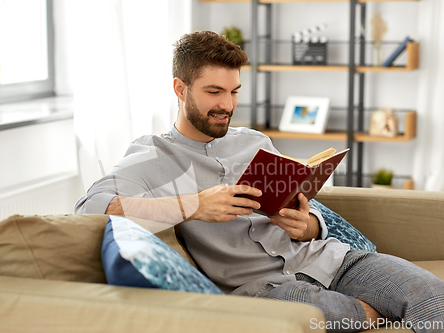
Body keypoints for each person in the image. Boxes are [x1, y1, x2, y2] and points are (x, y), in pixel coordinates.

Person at [75, 31, 444, 333]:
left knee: (433, 296)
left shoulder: (255, 141)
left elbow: (299, 206)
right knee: (336, 315)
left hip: (327, 259)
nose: (227, 105)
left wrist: (309, 226)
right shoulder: (151, 155)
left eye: (234, 91)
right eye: (214, 92)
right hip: (264, 289)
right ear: (180, 88)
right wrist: (195, 206)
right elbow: (89, 208)